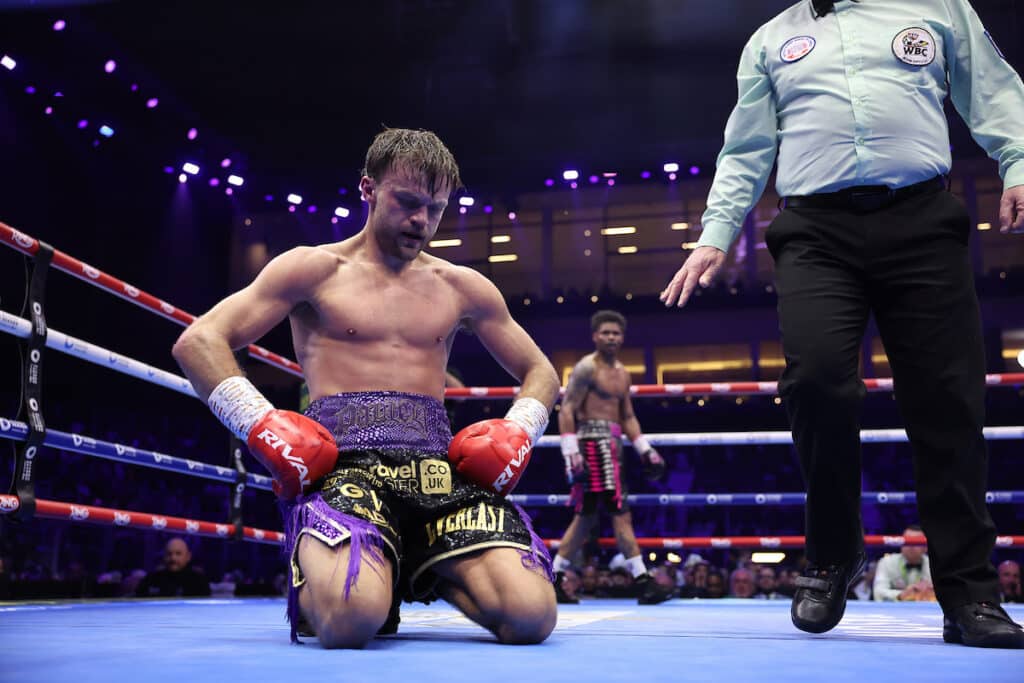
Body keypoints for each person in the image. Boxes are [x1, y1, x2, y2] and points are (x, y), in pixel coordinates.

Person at [659, 0, 1024, 648]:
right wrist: (715, 233)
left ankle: (970, 591)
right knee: (817, 378)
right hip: (815, 233)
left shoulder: (936, 6)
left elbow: (992, 88)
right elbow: (746, 150)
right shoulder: (771, 41)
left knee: (950, 402)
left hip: (921, 221)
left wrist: (1018, 159)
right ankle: (831, 555)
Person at [172, 128, 561, 648]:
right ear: (368, 189)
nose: (421, 222)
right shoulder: (313, 269)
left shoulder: (462, 286)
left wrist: (520, 429)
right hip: (343, 474)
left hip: (437, 477)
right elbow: (199, 341)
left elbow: (543, 372)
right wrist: (260, 424)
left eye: (436, 208)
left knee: (532, 617)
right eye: (407, 202)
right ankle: (348, 573)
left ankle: (419, 564)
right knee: (351, 621)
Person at [549, 310, 674, 605]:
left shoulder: (623, 374)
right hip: (592, 445)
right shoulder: (585, 368)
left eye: (616, 333)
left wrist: (645, 448)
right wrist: (571, 453)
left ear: (622, 337)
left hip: (614, 446)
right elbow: (567, 410)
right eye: (605, 332)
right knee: (619, 513)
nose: (611, 338)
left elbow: (627, 416)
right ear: (595, 336)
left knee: (586, 516)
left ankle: (553, 577)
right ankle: (643, 580)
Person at [873, 526, 935, 602]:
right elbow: (878, 592)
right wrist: (901, 595)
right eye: (907, 541)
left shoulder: (934, 564)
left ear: (926, 547)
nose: (910, 546)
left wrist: (931, 592)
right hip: (894, 611)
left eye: (915, 542)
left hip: (928, 610)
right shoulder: (887, 562)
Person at [135, 538, 211, 598]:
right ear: (164, 556)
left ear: (188, 556)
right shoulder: (151, 579)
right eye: (169, 554)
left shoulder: (199, 581)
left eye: (178, 554)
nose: (173, 558)